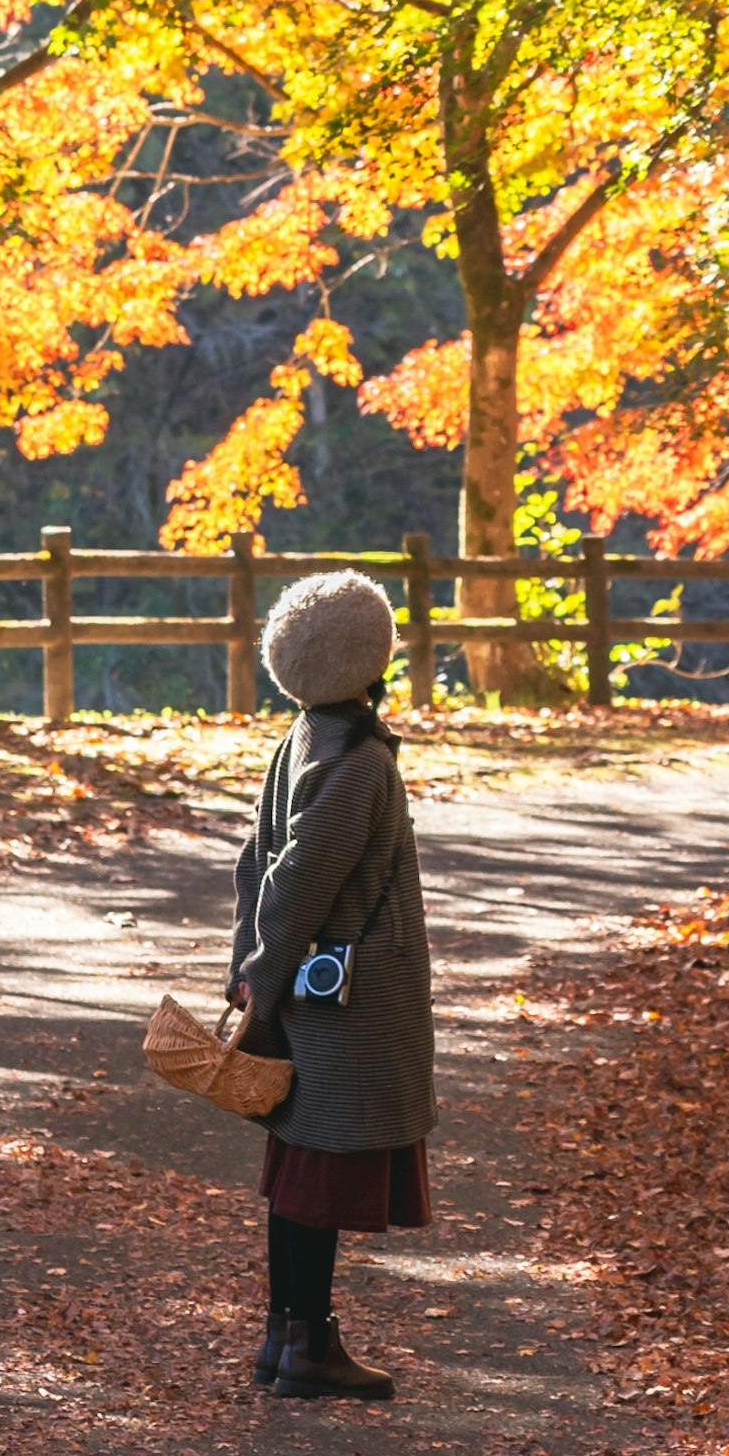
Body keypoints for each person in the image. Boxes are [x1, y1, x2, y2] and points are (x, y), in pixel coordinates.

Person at [222, 566, 435, 1403]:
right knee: (315, 1173)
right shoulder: (359, 763)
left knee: (298, 1171)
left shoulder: (303, 738)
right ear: (372, 655)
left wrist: (249, 968)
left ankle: (287, 1332)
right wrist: (261, 977)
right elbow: (299, 877)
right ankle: (308, 1341)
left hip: (307, 992)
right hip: (345, 1003)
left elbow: (255, 866)